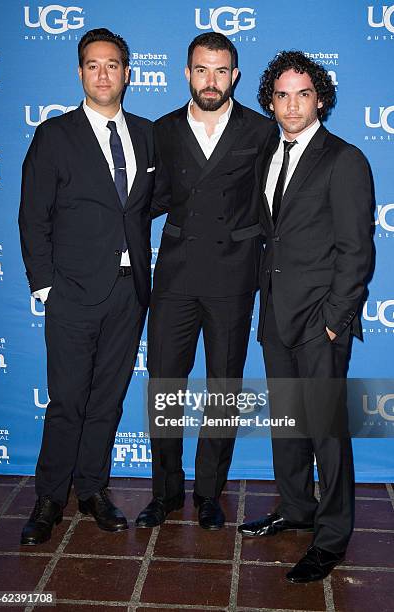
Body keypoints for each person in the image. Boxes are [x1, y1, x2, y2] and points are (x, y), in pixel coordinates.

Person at [238, 51, 373, 582]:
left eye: (303, 94)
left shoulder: (345, 159)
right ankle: (296, 508)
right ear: (270, 100)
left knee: (327, 434)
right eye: (282, 94)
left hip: (321, 321)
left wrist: (335, 320)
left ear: (320, 99)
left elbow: (356, 251)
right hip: (275, 317)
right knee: (289, 426)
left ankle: (333, 536)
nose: (292, 105)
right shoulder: (267, 153)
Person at [135, 32, 277, 530]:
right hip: (173, 275)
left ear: (234, 75)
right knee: (165, 387)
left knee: (223, 388)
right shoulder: (162, 130)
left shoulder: (261, 132)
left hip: (233, 278)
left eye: (220, 70)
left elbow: (274, 202)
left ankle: (209, 492)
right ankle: (165, 492)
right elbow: (143, 202)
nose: (211, 80)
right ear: (186, 73)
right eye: (201, 69)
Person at [18, 28, 154, 545]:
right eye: (93, 65)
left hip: (128, 292)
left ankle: (93, 488)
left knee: (108, 399)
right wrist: (47, 287)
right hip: (72, 292)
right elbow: (33, 216)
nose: (103, 74)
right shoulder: (55, 136)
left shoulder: (144, 134)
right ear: (80, 73)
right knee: (68, 400)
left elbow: (146, 206)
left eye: (113, 64)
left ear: (126, 73)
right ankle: (51, 497)